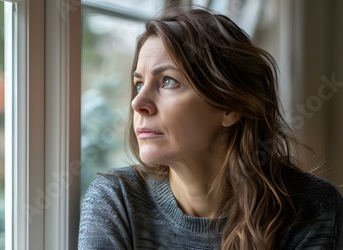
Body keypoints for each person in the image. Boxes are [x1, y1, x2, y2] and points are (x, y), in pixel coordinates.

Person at [78, 7, 343, 250]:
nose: (138, 103)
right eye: (139, 84)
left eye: (168, 81)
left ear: (229, 107)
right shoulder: (117, 200)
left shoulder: (312, 207)